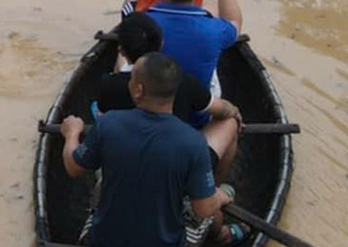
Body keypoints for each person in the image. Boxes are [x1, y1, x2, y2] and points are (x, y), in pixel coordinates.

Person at [57, 54, 240, 247]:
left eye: (131, 78)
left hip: (104, 244)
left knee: (103, 184)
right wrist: (220, 195)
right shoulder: (193, 143)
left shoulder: (109, 123)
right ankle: (221, 237)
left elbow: (73, 167)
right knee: (211, 203)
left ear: (138, 90)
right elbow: (203, 210)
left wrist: (72, 134)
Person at [92, 13, 242, 179]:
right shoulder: (182, 81)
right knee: (230, 122)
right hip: (176, 165)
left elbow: (101, 121)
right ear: (162, 44)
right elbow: (223, 110)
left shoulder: (108, 85)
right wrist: (234, 112)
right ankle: (213, 187)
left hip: (126, 161)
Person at [145, 0, 243, 111]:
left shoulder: (143, 24)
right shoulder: (214, 30)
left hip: (149, 110)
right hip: (197, 117)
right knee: (231, 121)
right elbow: (234, 22)